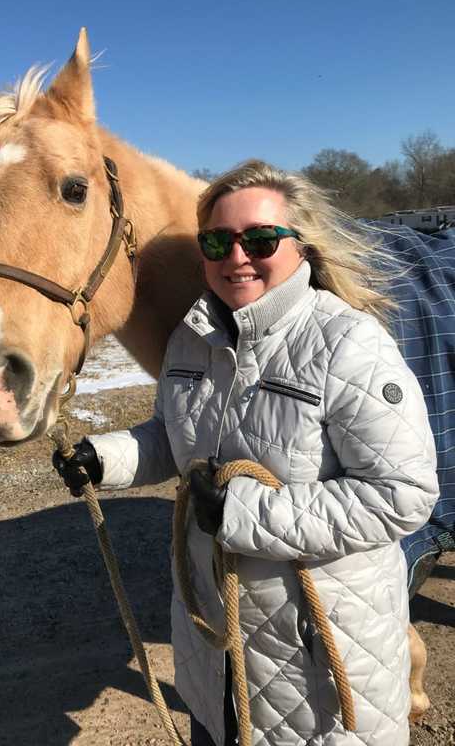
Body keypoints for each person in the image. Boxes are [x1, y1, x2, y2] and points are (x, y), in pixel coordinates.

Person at [53, 160, 439, 746]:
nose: (237, 256)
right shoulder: (194, 337)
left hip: (318, 661)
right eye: (216, 241)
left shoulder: (350, 344)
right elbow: (174, 437)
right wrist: (105, 458)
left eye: (259, 239)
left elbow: (401, 496)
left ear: (300, 245)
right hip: (218, 651)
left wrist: (241, 514)